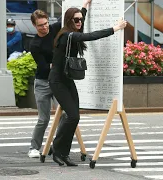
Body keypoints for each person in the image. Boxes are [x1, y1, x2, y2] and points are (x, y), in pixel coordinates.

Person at [48, 7, 127, 166]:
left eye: (81, 19)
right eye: (76, 20)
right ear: (69, 20)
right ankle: (57, 150)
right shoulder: (66, 35)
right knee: (73, 116)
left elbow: (81, 19)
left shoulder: (73, 31)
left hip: (67, 80)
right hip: (57, 81)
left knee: (73, 117)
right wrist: (116, 28)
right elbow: (91, 36)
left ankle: (63, 153)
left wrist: (85, 6)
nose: (79, 22)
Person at [28, 0, 92, 158]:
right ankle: (34, 148)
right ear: (34, 26)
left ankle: (56, 145)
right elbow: (42, 66)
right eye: (41, 25)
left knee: (65, 114)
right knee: (43, 119)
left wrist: (84, 7)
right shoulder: (34, 44)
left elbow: (73, 21)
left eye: (46, 23)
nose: (45, 27)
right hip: (43, 82)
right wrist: (57, 64)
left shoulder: (55, 28)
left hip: (58, 81)